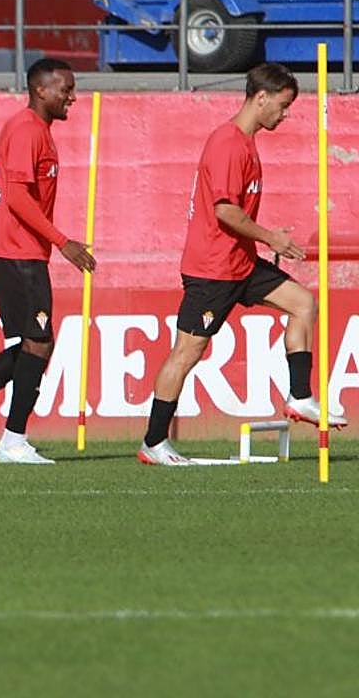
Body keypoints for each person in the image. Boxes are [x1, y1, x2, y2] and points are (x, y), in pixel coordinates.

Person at [139, 62, 347, 466]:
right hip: (211, 269)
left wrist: (262, 241)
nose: (285, 115)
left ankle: (300, 397)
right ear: (261, 97)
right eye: (283, 106)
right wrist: (273, 238)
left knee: (303, 303)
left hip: (241, 264)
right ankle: (153, 442)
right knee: (186, 352)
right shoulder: (228, 143)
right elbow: (225, 212)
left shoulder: (247, 143)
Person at [0, 57, 96, 465]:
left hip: (17, 250)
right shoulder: (28, 130)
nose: (73, 98)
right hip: (17, 252)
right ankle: (10, 438)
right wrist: (63, 242)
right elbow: (17, 196)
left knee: (34, 343)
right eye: (66, 89)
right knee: (39, 342)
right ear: (41, 90)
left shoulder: (30, 128)